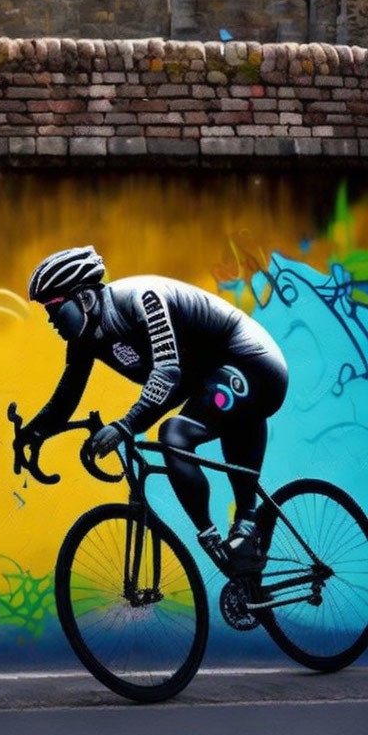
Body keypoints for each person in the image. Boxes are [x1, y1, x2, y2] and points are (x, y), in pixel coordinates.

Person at [17, 245, 289, 574]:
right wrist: (31, 435)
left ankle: (221, 539)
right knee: (186, 429)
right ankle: (246, 555)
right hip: (211, 378)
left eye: (55, 309)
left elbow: (167, 372)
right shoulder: (85, 338)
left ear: (85, 298)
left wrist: (124, 426)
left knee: (174, 434)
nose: (51, 320)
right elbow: (67, 395)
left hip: (252, 364)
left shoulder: (143, 298)